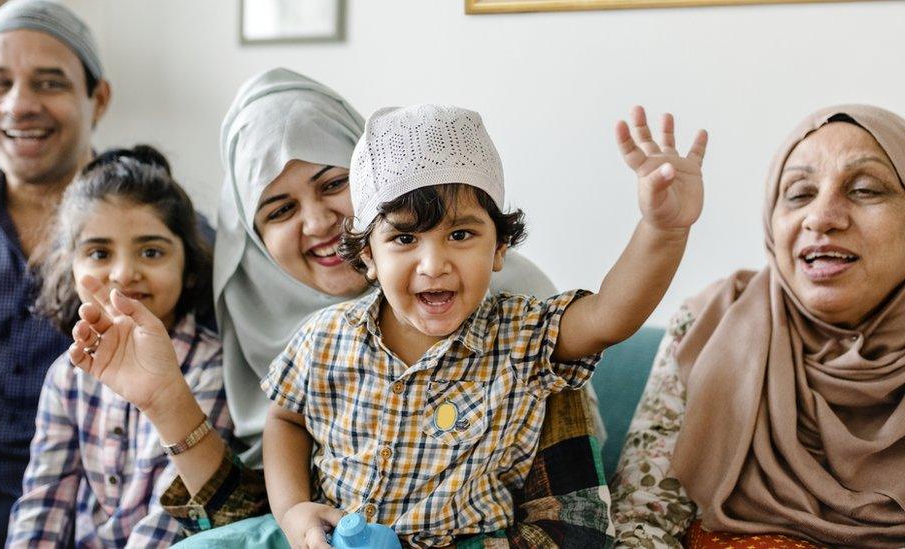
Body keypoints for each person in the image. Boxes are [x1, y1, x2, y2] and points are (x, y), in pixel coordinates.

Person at [64, 69, 615, 547]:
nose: (319, 222)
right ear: (253, 240)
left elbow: (571, 525)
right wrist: (165, 400)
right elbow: (262, 523)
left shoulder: (513, 311)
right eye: (279, 210)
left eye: (334, 183)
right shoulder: (266, 332)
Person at [255, 103, 706, 548]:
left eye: (460, 235)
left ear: (499, 248)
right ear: (369, 255)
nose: (433, 264)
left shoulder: (520, 336)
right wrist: (293, 510)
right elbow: (285, 418)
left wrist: (663, 230)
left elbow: (609, 316)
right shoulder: (325, 338)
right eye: (405, 238)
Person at [610, 104, 905, 548]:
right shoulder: (709, 323)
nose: (821, 217)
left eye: (864, 190)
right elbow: (642, 521)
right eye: (800, 194)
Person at [0, 1, 110, 544]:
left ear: (98, 99)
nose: (19, 105)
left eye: (49, 83)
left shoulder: (154, 233)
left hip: (76, 492)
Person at [5, 146, 231, 547]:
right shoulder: (68, 373)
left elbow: (174, 519)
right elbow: (45, 496)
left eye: (151, 252)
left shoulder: (211, 368)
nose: (124, 274)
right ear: (70, 268)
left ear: (190, 269)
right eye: (99, 253)